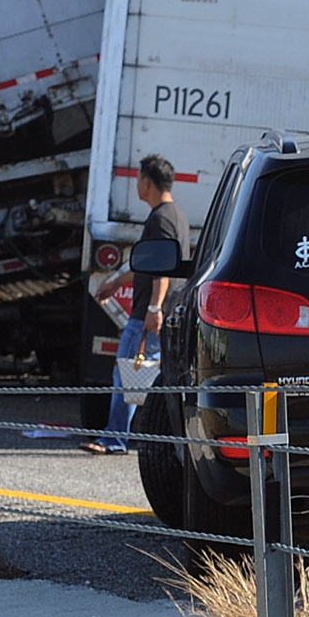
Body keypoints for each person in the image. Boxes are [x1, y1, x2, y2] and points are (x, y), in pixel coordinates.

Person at [84, 155, 190, 454]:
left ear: (148, 181)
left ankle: (115, 439)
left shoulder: (161, 218)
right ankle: (126, 436)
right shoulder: (174, 214)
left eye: (138, 179)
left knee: (127, 374)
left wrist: (154, 309)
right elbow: (148, 264)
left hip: (149, 312)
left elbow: (162, 269)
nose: (136, 185)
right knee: (138, 375)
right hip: (155, 310)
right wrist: (117, 282)